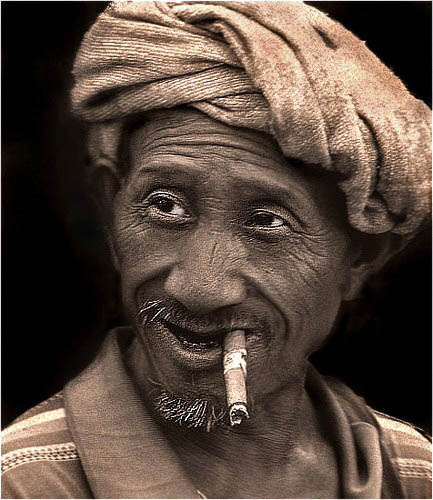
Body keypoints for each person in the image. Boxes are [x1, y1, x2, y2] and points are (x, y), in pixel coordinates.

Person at [2, 2, 431, 498]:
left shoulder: (413, 474)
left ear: (361, 258)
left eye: (267, 222)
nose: (199, 289)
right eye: (164, 206)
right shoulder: (23, 483)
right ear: (113, 205)